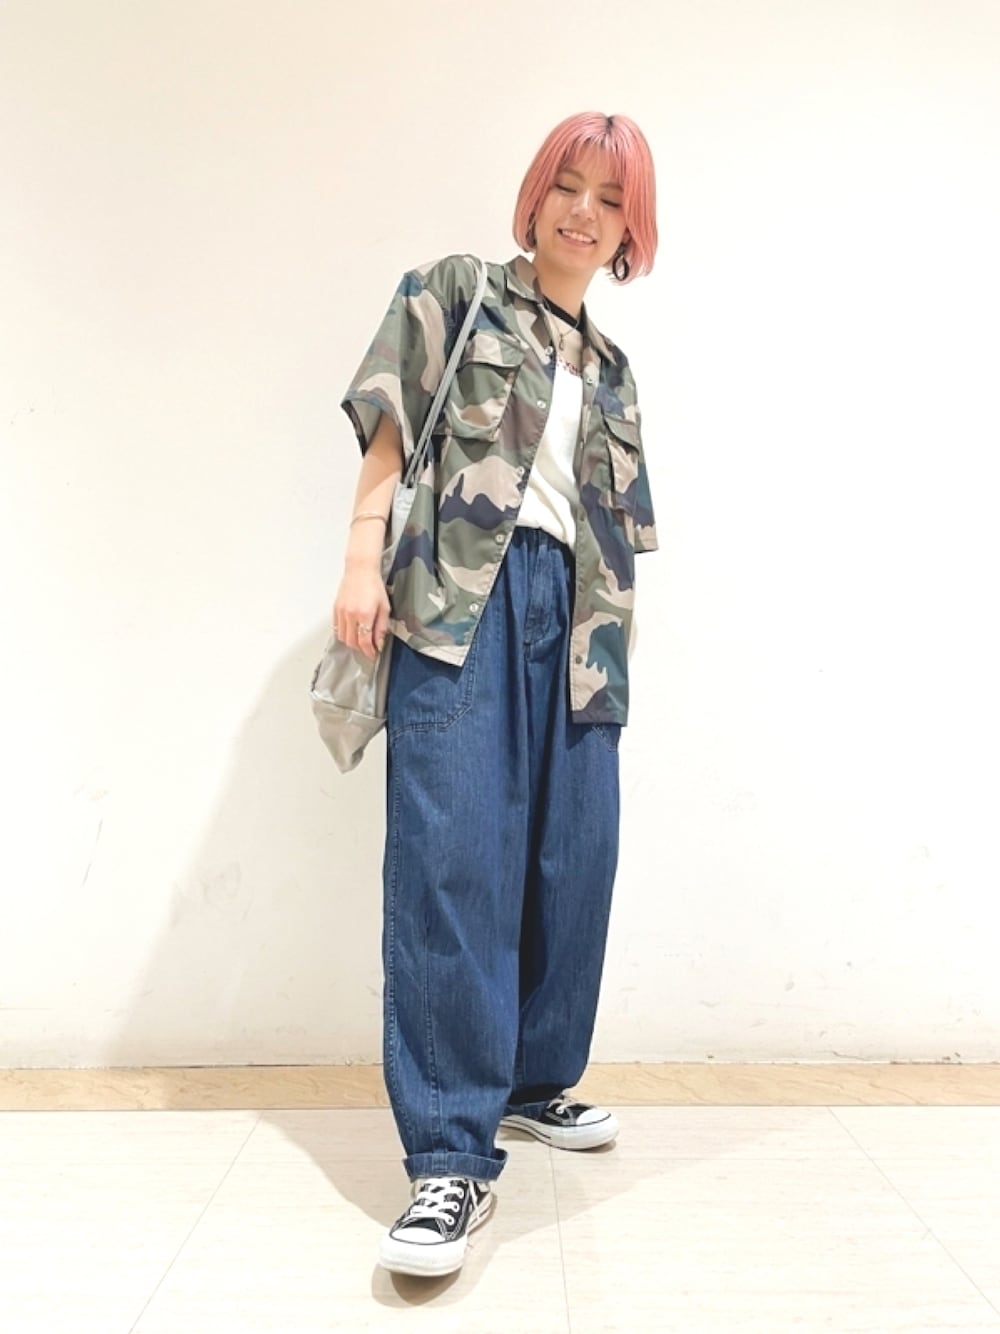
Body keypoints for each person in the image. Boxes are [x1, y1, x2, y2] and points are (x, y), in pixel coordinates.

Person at [332, 111, 658, 1278]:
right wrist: (361, 557)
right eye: (568, 185)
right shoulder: (456, 291)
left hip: (582, 627)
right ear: (535, 194)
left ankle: (529, 1080)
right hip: (462, 599)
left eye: (610, 199)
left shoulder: (612, 370)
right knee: (453, 860)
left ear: (630, 230)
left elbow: (613, 530)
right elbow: (389, 428)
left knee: (573, 864)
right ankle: (448, 1156)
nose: (583, 211)